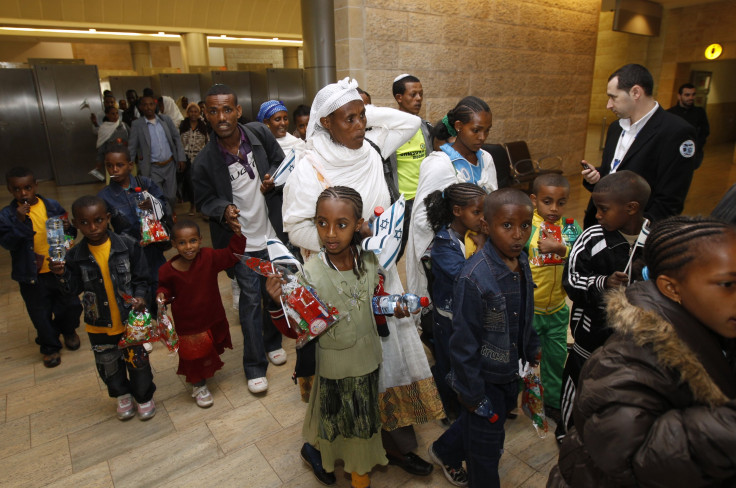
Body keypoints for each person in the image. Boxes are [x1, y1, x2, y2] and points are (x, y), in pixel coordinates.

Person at [282, 77, 443, 478]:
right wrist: (347, 238)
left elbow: (406, 123)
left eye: (362, 117)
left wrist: (358, 109)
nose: (358, 126)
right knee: (343, 368)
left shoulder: (372, 147)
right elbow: (295, 226)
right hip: (338, 280)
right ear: (325, 124)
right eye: (348, 120)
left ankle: (395, 443)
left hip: (382, 274)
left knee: (388, 360)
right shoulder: (310, 166)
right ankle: (321, 445)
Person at [548, 216, 736, 487]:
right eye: (727, 285)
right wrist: (725, 427)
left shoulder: (715, 325)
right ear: (671, 288)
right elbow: (628, 452)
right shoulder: (626, 361)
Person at [268, 187, 414, 488]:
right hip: (334, 365)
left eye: (342, 224)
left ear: (359, 223)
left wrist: (392, 307)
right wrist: (276, 303)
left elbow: (372, 301)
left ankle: (320, 451)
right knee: (344, 420)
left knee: (350, 420)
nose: (330, 233)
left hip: (368, 358)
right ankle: (358, 474)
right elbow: (297, 330)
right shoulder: (309, 274)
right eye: (322, 223)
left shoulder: (370, 261)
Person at [428, 188, 540, 488]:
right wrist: (473, 394)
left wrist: (531, 348)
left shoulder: (522, 261)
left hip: (509, 370)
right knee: (486, 453)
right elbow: (463, 344)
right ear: (487, 227)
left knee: (491, 424)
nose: (518, 235)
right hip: (482, 380)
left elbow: (525, 310)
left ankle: (444, 450)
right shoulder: (474, 277)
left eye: (525, 225)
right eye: (507, 226)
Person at [192, 84, 288, 394]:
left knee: (275, 293)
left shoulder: (259, 133)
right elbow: (203, 199)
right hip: (243, 243)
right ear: (206, 114)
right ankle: (254, 365)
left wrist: (273, 177)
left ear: (238, 111)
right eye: (214, 110)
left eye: (227, 109)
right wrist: (224, 210)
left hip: (272, 234)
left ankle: (274, 342)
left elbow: (279, 160)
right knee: (249, 303)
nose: (221, 116)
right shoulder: (205, 160)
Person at [559, 171, 650, 437]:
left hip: (633, 340)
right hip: (591, 337)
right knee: (579, 380)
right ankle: (567, 432)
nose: (597, 215)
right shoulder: (591, 238)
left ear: (631, 208)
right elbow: (572, 281)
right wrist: (603, 283)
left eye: (604, 209)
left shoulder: (655, 240)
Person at [50, 195, 156, 421]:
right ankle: (122, 395)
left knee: (138, 363)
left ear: (107, 218)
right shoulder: (75, 256)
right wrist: (61, 275)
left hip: (131, 322)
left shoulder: (127, 245)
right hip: (99, 325)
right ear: (76, 224)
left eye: (98, 220)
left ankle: (144, 396)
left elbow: (141, 279)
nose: (93, 227)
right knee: (109, 366)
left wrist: (140, 298)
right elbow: (72, 289)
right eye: (85, 223)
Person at [406, 96, 498, 333]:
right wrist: (461, 229)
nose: (482, 137)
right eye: (476, 130)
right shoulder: (440, 164)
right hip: (450, 254)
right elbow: (421, 218)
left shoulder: (486, 159)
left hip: (483, 246)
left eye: (487, 131)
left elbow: (494, 202)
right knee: (452, 316)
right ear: (458, 126)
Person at [581, 64, 696, 228]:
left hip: (634, 231)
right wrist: (596, 178)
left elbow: (670, 200)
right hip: (599, 225)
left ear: (635, 92)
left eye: (613, 97)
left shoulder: (676, 132)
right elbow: (614, 170)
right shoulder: (616, 128)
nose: (609, 105)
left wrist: (638, 234)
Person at [157, 218, 245, 408]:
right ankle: (199, 386)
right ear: (174, 244)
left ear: (200, 240)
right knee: (193, 357)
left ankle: (205, 372)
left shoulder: (209, 257)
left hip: (211, 316)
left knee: (208, 350)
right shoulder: (167, 270)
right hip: (189, 325)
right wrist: (161, 296)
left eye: (193, 241)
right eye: (182, 242)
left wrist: (238, 235)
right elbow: (164, 289)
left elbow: (231, 255)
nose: (188, 247)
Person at [0, 167, 82, 368]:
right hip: (31, 275)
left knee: (71, 305)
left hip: (59, 269)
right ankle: (50, 346)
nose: (23, 193)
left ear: (36, 185)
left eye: (27, 187)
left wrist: (70, 230)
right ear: (10, 190)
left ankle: (68, 330)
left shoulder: (51, 205)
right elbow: (7, 243)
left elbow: (69, 237)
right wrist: (19, 222)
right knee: (40, 313)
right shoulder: (7, 215)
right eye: (17, 189)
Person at [423, 182, 487, 421]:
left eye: (484, 212)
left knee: (466, 362)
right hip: (448, 319)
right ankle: (447, 406)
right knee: (448, 365)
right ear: (458, 211)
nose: (482, 219)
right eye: (477, 212)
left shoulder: (472, 234)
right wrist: (481, 247)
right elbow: (466, 279)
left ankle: (466, 399)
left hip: (467, 316)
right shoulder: (443, 244)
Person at [523, 173, 580, 432]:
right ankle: (524, 399)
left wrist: (562, 249)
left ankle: (554, 403)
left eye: (561, 202)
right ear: (534, 200)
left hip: (558, 309)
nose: (554, 209)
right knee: (526, 359)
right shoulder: (526, 227)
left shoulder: (571, 228)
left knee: (556, 359)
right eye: (547, 202)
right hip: (530, 311)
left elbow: (581, 255)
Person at [98, 142, 170, 315]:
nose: (114, 169)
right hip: (130, 251)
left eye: (120, 165)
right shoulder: (104, 196)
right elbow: (104, 227)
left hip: (153, 245)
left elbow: (164, 205)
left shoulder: (145, 183)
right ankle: (142, 325)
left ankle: (160, 317)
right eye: (110, 166)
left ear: (130, 165)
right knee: (138, 287)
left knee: (159, 282)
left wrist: (152, 204)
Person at [389, 74, 433, 261]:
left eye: (421, 94)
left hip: (423, 200)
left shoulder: (425, 128)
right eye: (413, 95)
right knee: (394, 252)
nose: (418, 99)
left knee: (425, 253)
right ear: (399, 98)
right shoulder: (388, 130)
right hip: (400, 203)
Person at [128, 94, 187, 210]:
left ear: (155, 106)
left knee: (171, 196)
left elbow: (176, 138)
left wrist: (181, 157)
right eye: (145, 105)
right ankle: (167, 220)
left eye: (151, 104)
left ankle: (168, 215)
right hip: (153, 168)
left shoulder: (166, 120)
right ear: (140, 107)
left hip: (169, 165)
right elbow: (132, 147)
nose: (148, 107)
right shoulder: (137, 125)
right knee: (158, 196)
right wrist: (129, 163)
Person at [667, 82, 710, 170]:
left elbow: (705, 131)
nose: (691, 98)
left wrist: (696, 146)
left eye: (693, 95)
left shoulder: (700, 112)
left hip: (693, 154)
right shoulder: (670, 113)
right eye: (687, 95)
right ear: (679, 96)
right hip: (673, 154)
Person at [179, 102, 209, 216]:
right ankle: (193, 204)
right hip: (186, 158)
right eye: (191, 111)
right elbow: (179, 142)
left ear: (199, 113)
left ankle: (200, 205)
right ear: (187, 113)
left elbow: (207, 142)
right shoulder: (183, 125)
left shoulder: (203, 126)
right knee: (190, 183)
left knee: (200, 183)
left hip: (199, 158)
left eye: (195, 111)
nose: (193, 113)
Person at [257, 100, 305, 169]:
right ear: (266, 122)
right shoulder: (261, 146)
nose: (283, 123)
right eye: (277, 119)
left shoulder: (298, 144)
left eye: (285, 119)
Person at [95, 105, 129, 179]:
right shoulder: (104, 128)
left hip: (125, 158)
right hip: (112, 160)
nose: (115, 116)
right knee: (115, 181)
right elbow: (102, 146)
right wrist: (99, 161)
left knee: (128, 181)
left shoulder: (123, 125)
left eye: (116, 113)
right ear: (107, 115)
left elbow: (132, 139)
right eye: (112, 114)